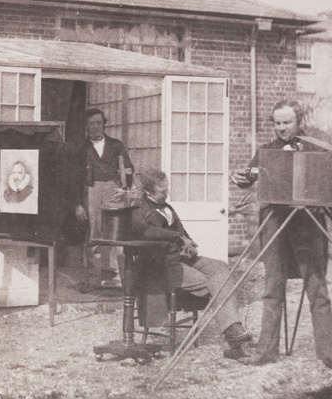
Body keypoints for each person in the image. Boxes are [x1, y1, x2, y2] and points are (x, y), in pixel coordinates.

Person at [231, 99, 332, 371]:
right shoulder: (266, 151)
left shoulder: (317, 150)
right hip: (274, 223)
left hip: (307, 226)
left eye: (287, 122)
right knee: (272, 286)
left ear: (299, 123)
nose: (282, 128)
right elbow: (249, 178)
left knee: (317, 287)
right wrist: (241, 178)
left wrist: (324, 204)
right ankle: (266, 351)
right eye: (277, 123)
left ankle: (330, 354)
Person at [133, 169, 252, 358]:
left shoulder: (168, 208)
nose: (167, 194)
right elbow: (147, 232)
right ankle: (232, 338)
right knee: (212, 282)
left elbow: (183, 233)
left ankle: (232, 332)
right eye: (162, 191)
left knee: (221, 267)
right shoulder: (140, 210)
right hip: (164, 266)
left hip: (183, 258)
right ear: (148, 190)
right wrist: (178, 238)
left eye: (167, 189)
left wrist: (190, 244)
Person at [73, 108, 134, 287]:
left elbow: (128, 169)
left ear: (104, 124)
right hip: (91, 190)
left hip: (114, 189)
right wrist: (78, 204)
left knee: (118, 234)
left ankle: (122, 280)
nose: (95, 127)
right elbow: (75, 177)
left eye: (99, 122)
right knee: (93, 235)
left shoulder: (116, 145)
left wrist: (125, 189)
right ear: (86, 126)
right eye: (91, 123)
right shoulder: (81, 148)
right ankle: (94, 280)